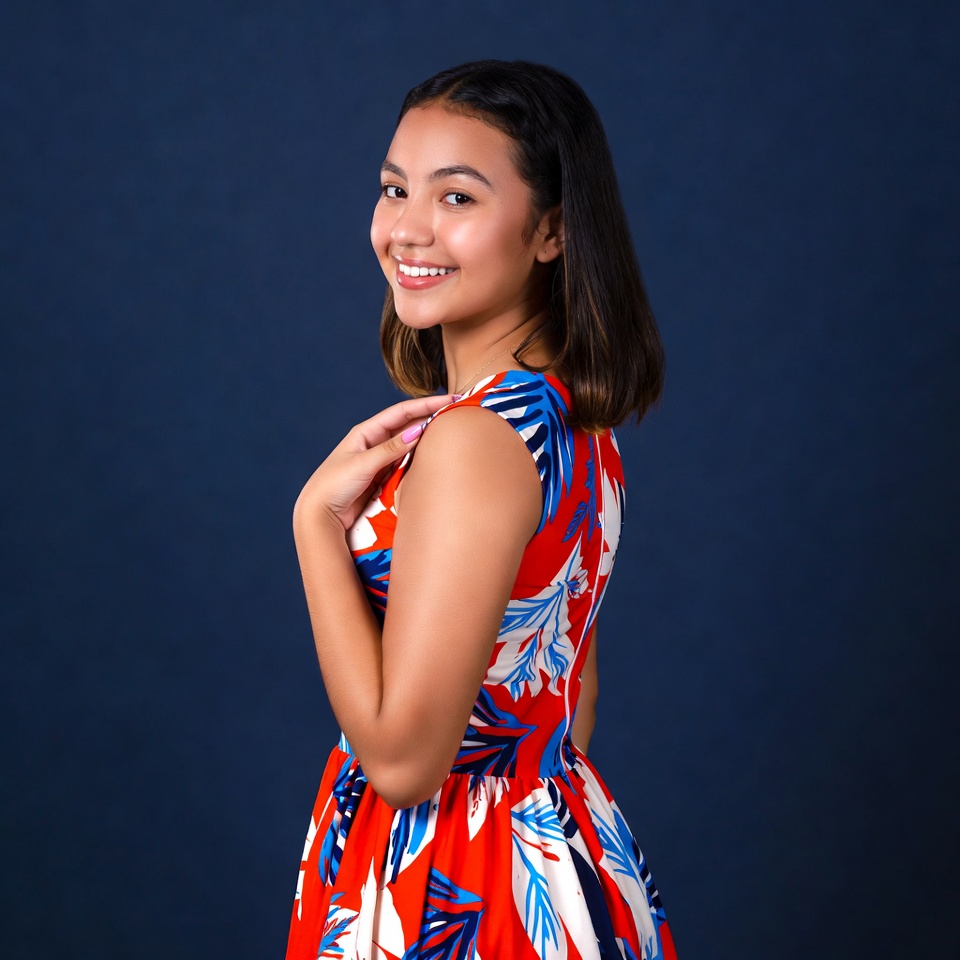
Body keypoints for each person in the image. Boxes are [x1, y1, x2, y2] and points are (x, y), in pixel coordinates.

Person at [285, 60, 677, 960]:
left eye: (457, 198)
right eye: (395, 189)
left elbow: (405, 763)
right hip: (553, 851)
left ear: (550, 231)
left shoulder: (476, 440)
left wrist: (314, 529)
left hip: (459, 887)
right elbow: (565, 698)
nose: (407, 229)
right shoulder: (571, 420)